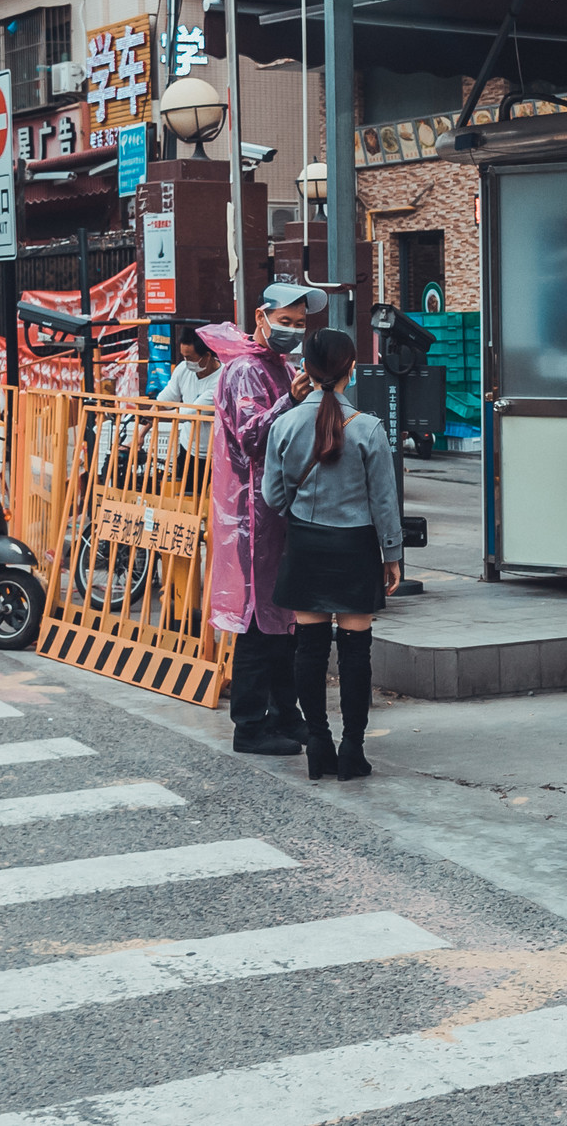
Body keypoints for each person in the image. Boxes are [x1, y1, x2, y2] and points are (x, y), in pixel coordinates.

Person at [262, 328, 402, 781]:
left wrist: (300, 511)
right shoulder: (367, 427)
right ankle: (352, 751)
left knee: (310, 649)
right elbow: (384, 500)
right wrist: (392, 553)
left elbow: (272, 495)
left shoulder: (284, 424)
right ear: (351, 368)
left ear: (306, 369)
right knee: (356, 651)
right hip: (356, 547)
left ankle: (317, 743)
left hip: (305, 544)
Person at [202, 282, 327, 756]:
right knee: (258, 621)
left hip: (278, 511)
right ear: (262, 315)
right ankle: (249, 725)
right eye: (286, 321)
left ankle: (284, 714)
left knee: (284, 618)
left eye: (300, 325)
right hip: (252, 515)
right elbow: (253, 437)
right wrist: (290, 401)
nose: (293, 332)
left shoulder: (280, 367)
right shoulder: (245, 371)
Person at [155, 325, 221, 484]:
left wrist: (157, 417)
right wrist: (142, 433)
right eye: (183, 357)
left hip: (215, 452)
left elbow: (192, 413)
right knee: (187, 498)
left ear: (207, 355)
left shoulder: (221, 379)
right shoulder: (183, 370)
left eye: (190, 358)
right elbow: (163, 402)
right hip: (188, 447)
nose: (186, 362)